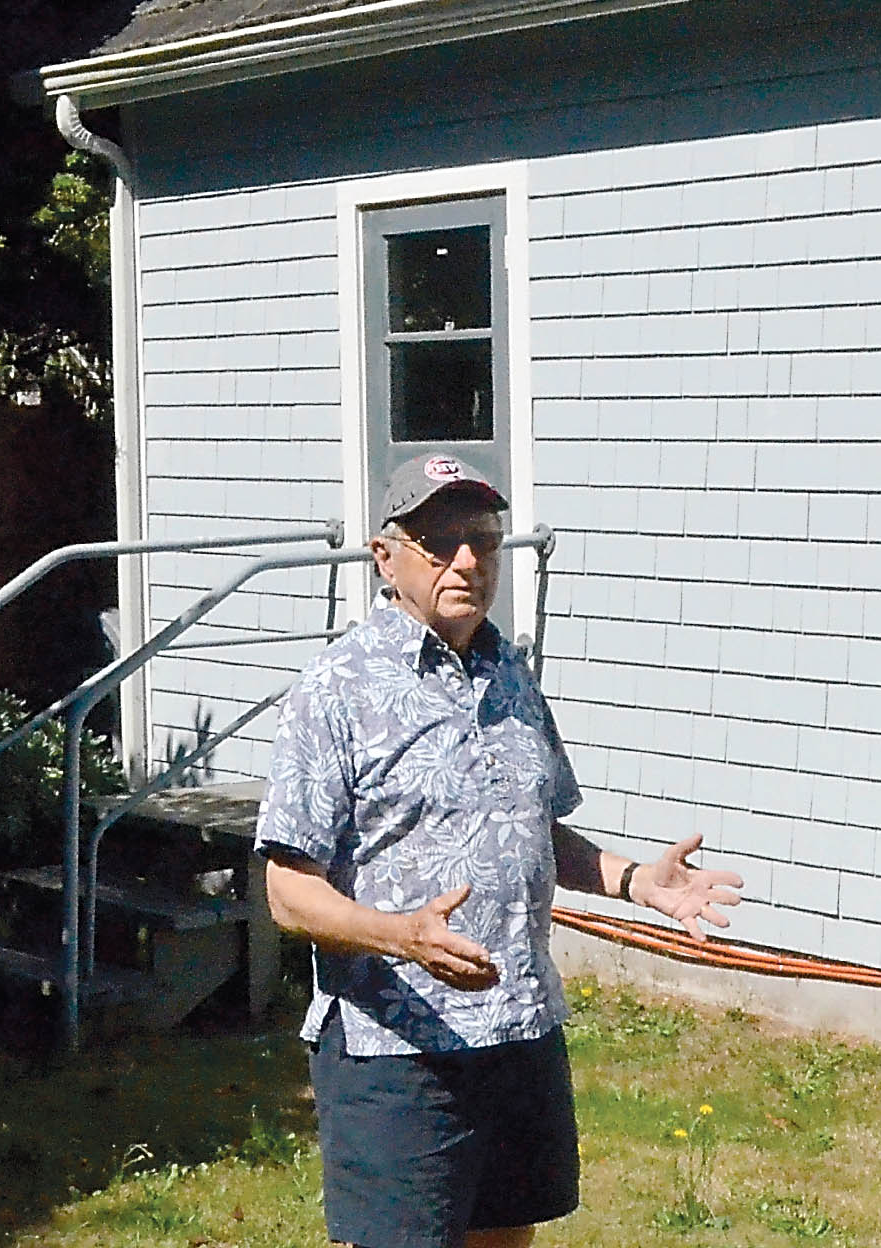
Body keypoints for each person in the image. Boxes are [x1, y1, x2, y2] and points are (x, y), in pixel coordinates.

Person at [255, 452, 743, 1248]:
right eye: (440, 542)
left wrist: (634, 882)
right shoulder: (334, 689)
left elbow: (530, 825)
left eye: (483, 539)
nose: (470, 562)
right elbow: (287, 889)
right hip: (400, 1046)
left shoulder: (509, 673)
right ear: (386, 556)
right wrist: (399, 935)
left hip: (519, 1031)